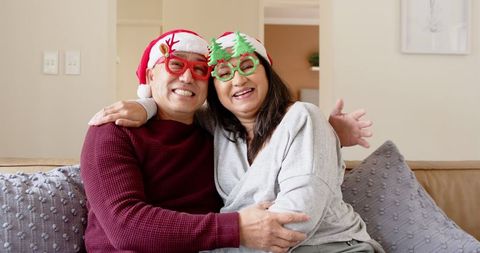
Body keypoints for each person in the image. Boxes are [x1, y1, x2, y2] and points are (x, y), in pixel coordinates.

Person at [90, 31, 382, 252]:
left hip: (329, 247)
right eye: (225, 73)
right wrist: (145, 105)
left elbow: (296, 221)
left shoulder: (302, 117)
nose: (239, 80)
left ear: (267, 72)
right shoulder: (219, 129)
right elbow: (177, 107)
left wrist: (325, 133)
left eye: (247, 66)